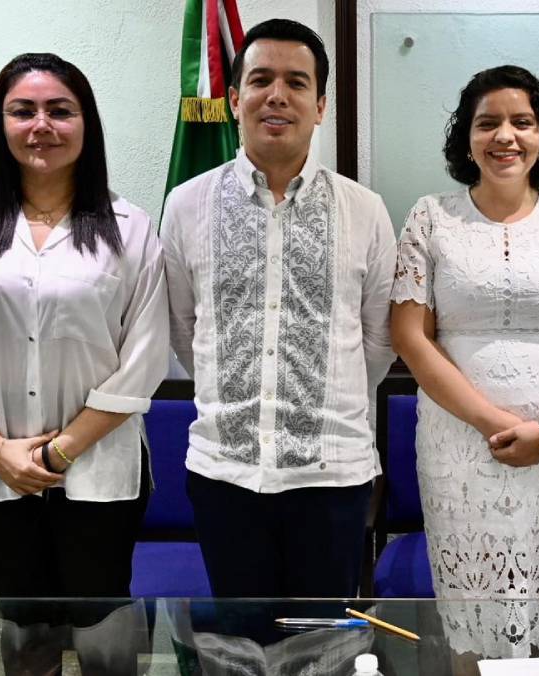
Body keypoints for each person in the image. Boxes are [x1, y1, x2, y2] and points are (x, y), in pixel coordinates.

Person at [0, 52, 168, 674]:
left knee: (101, 622)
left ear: (86, 124)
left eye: (60, 110)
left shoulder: (130, 228)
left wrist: (59, 452)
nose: (41, 126)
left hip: (101, 465)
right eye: (22, 111)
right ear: (1, 124)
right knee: (22, 618)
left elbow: (143, 357)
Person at [390, 65, 539, 664]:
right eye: (487, 123)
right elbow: (411, 336)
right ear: (466, 137)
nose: (505, 136)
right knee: (475, 615)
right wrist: (493, 422)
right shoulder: (431, 217)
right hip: (461, 445)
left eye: (522, 122)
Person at [161, 18, 396, 600]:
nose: (277, 95)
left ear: (320, 106)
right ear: (234, 98)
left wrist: (318, 396)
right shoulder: (186, 206)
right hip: (224, 473)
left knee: (323, 639)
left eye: (296, 82)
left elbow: (378, 339)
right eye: (261, 79)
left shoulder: (365, 210)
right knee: (239, 639)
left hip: (333, 474)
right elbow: (185, 328)